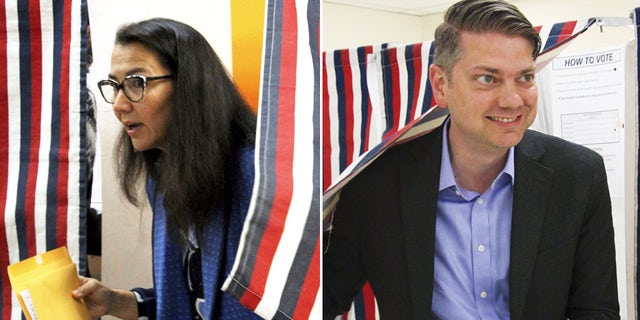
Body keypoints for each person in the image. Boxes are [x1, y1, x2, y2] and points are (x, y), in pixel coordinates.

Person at [322, 0, 619, 319]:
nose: (511, 100)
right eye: (487, 79)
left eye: (525, 78)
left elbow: (596, 309)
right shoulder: (376, 183)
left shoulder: (578, 176)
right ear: (441, 85)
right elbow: (322, 301)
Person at [72, 18, 262, 320]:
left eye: (137, 83)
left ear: (190, 86)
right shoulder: (164, 174)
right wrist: (115, 302)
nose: (119, 104)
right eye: (114, 86)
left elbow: (268, 304)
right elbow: (192, 297)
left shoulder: (254, 174)